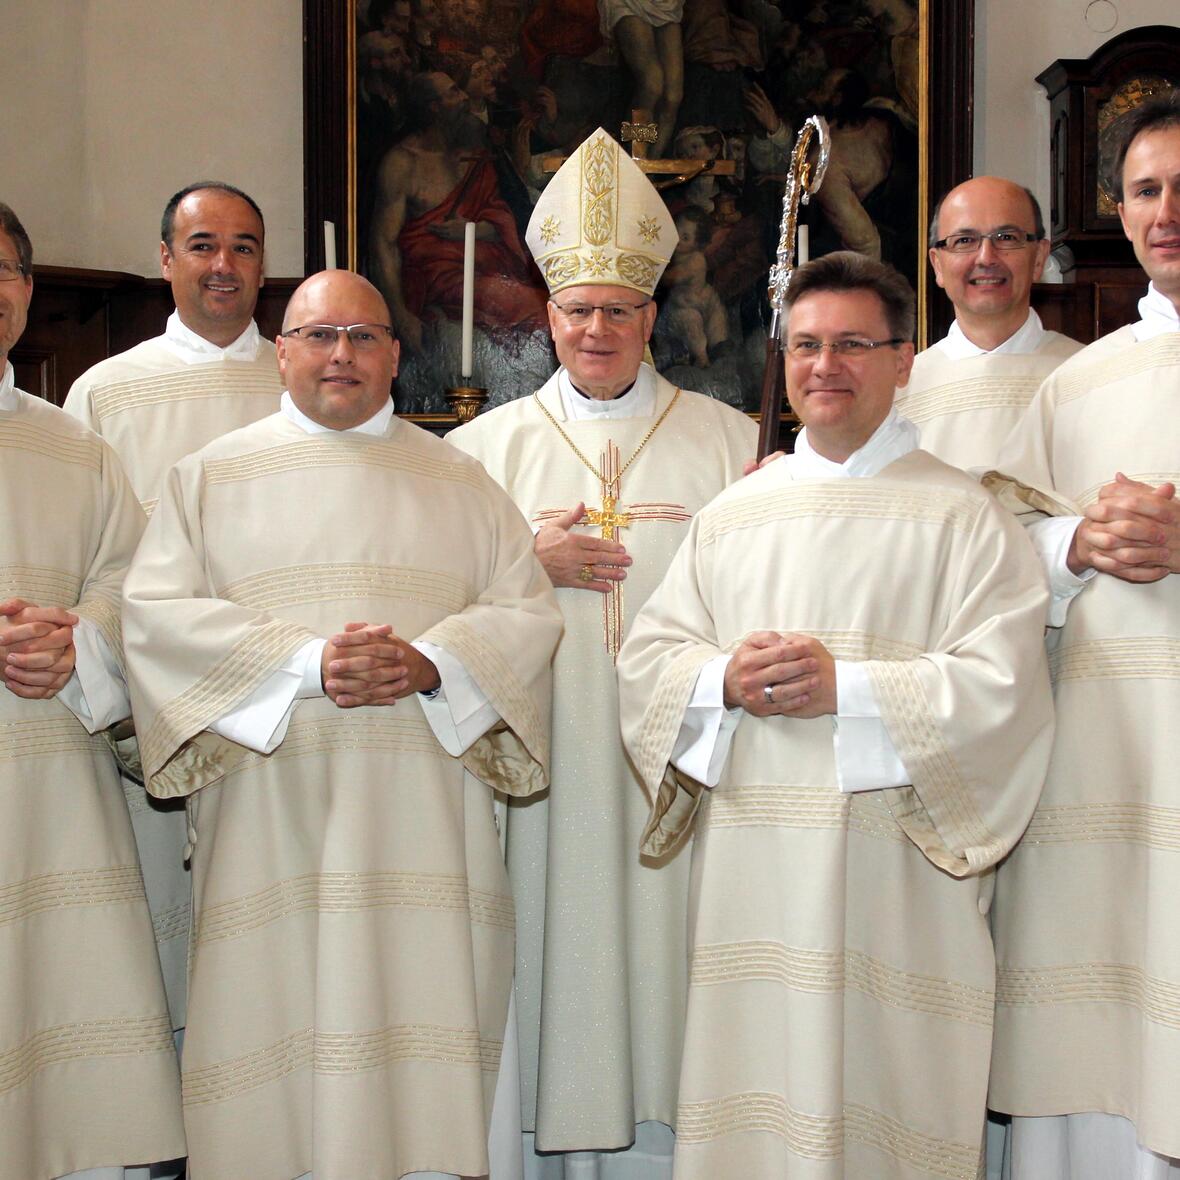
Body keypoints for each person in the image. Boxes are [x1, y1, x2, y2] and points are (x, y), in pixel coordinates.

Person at [616, 251, 1055, 1179]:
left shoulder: (964, 517)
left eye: (853, 344)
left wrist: (846, 688)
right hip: (754, 877)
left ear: (903, 360)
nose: (825, 366)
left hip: (897, 885)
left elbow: (1004, 689)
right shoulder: (733, 515)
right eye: (807, 345)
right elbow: (649, 662)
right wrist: (722, 679)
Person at [121, 268, 562, 1180]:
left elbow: (525, 614)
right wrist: (305, 665)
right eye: (319, 335)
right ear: (281, 353)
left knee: (421, 1031)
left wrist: (431, 662)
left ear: (396, 357)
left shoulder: (461, 480)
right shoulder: (207, 479)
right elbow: (156, 619)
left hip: (424, 825)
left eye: (363, 337)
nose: (341, 354)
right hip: (270, 818)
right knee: (272, 1032)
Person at [448, 128, 757, 1177]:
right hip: (547, 770)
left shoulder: (732, 444)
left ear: (651, 319)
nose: (596, 329)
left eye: (619, 311)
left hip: (680, 765)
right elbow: (436, 619)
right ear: (547, 318)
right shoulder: (474, 457)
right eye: (578, 310)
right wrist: (523, 562)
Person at [985, 93, 1180, 1179]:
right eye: (1146, 190)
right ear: (1118, 210)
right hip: (1101, 757)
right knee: (1100, 1020)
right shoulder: (1076, 382)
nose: (1167, 212)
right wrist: (1074, 542)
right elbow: (998, 547)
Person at [61, 181, 281, 1045]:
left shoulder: (306, 375)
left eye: (243, 247)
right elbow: (89, 559)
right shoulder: (106, 393)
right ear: (164, 260)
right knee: (155, 962)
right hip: (147, 722)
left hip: (278, 710)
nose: (223, 265)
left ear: (264, 264)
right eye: (202, 245)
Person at [0, 202, 185, 1180]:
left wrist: (79, 646)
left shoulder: (76, 448)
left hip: (55, 795)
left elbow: (133, 586)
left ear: (28, 291)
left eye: (3, 271)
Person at [895, 176, 1082, 469]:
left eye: (1006, 238)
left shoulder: (1087, 373)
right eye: (964, 241)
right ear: (937, 264)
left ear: (1038, 258)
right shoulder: (899, 393)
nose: (986, 258)